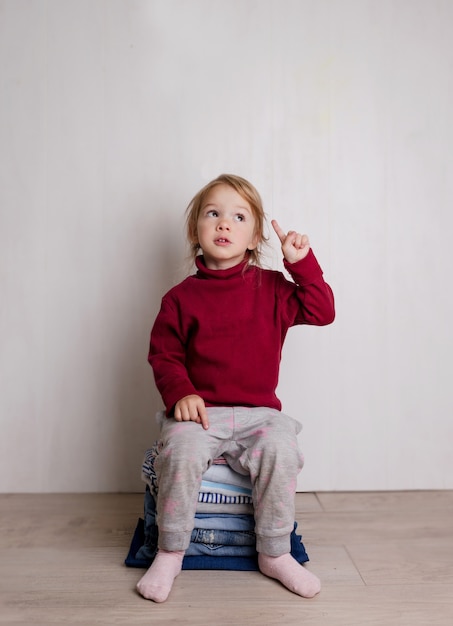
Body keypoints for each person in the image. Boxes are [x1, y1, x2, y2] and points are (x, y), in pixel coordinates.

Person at [136, 174, 335, 602]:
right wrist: (180, 393)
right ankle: (171, 549)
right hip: (201, 412)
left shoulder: (274, 289)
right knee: (180, 450)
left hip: (259, 414)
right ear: (196, 232)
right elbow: (164, 355)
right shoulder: (180, 298)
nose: (224, 224)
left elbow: (321, 311)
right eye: (213, 214)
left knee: (283, 447)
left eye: (238, 217)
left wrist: (301, 264)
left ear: (254, 237)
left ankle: (275, 552)